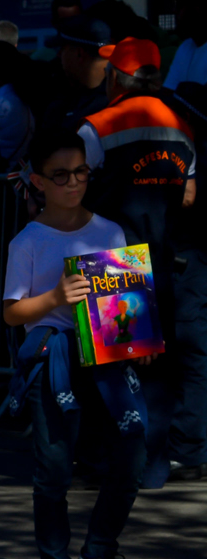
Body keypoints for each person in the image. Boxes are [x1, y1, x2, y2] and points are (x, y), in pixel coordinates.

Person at [1, 127, 143, 559]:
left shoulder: (109, 231)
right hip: (56, 356)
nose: (73, 183)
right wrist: (55, 298)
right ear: (38, 181)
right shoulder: (29, 241)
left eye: (80, 171)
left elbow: (124, 305)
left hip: (105, 355)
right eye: (60, 175)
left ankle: (99, 553)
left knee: (132, 450)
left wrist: (139, 334)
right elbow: (12, 311)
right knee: (56, 465)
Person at [75, 39, 201, 485]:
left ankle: (106, 464)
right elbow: (188, 196)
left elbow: (74, 192)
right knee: (159, 375)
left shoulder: (96, 127)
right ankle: (151, 466)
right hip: (162, 258)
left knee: (110, 370)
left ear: (117, 77)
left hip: (111, 260)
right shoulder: (182, 126)